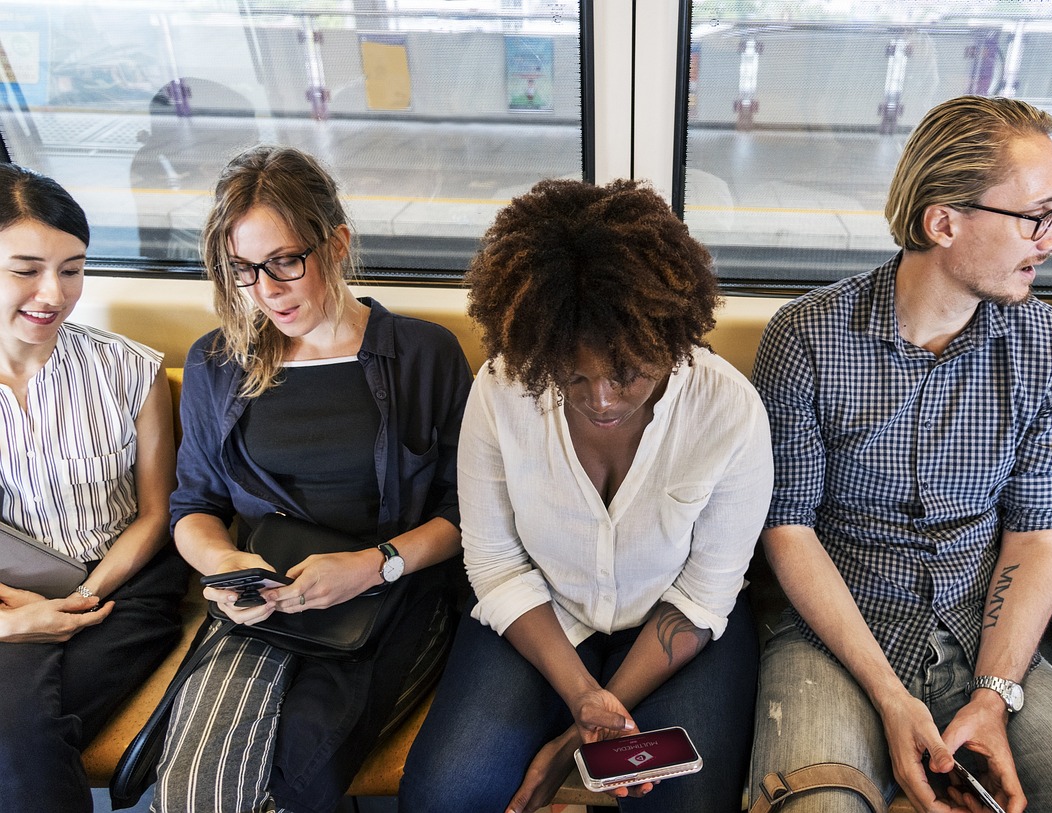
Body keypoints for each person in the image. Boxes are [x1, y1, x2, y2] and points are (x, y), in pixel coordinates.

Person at [748, 95, 1052, 813]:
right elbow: (786, 526)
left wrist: (994, 693)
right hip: (835, 635)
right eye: (1038, 216)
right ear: (943, 222)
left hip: (988, 635)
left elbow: (1038, 532)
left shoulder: (1051, 349)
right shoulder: (807, 338)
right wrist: (888, 693)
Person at [398, 178, 772, 813]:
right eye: (573, 376)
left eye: (628, 374)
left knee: (682, 807)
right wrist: (580, 695)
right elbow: (494, 561)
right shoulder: (502, 390)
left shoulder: (728, 411)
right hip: (543, 616)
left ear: (671, 337)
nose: (602, 400)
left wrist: (579, 733)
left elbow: (706, 593)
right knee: (443, 797)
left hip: (675, 629)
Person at [152, 145, 471, 813]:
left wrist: (371, 565)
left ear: (337, 244)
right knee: (195, 786)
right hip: (263, 605)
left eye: (285, 262)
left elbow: (463, 513)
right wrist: (224, 566)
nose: (267, 291)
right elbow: (194, 504)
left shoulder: (422, 354)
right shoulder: (217, 363)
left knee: (300, 775)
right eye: (244, 270)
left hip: (392, 594)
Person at [0, 164, 187, 812]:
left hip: (123, 587)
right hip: (10, 592)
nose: (53, 292)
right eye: (26, 269)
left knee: (18, 734)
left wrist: (79, 597)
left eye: (73, 269)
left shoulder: (129, 369)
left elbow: (157, 514)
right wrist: (15, 619)